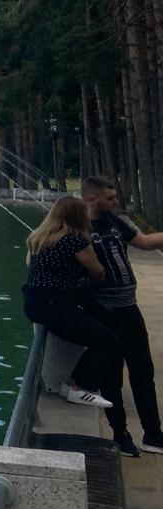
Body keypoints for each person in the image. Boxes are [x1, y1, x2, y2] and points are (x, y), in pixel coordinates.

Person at [83, 175, 163, 456]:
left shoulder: (117, 222)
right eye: (111, 198)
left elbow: (143, 242)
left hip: (131, 309)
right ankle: (121, 435)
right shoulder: (80, 228)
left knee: (144, 373)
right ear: (93, 199)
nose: (116, 201)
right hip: (105, 314)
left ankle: (153, 435)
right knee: (112, 378)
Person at [22, 195, 121, 409]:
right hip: (56, 305)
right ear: (78, 216)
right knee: (108, 340)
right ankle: (79, 387)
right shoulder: (75, 241)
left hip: (35, 302)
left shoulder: (39, 238)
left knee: (104, 325)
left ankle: (82, 384)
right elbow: (98, 271)